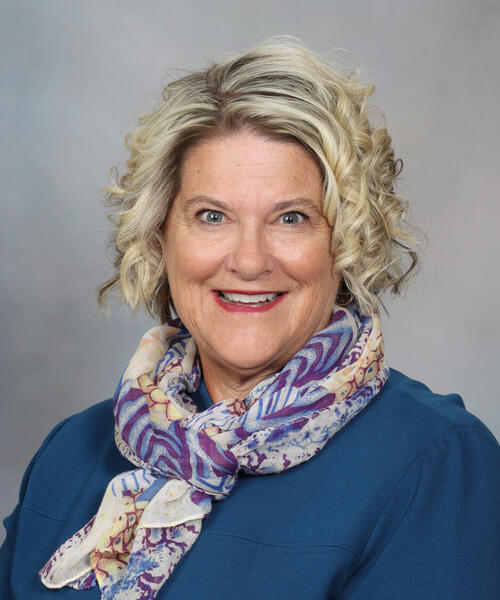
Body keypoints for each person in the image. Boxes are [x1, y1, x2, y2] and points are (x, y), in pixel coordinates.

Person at [1, 36, 499, 600]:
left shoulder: (435, 464)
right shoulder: (72, 453)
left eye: (291, 218)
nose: (249, 260)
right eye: (212, 216)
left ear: (347, 242)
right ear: (160, 237)